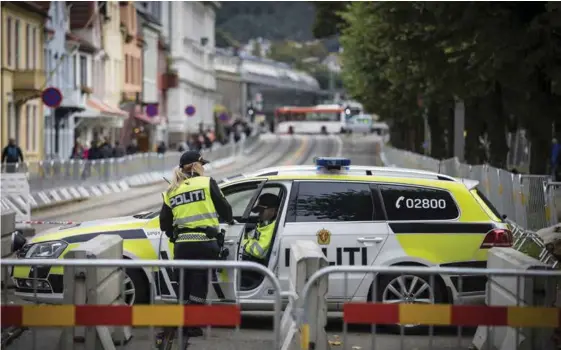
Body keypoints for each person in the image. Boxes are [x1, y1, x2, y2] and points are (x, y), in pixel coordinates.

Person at [158, 150, 233, 341]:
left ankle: (186, 324)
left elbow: (164, 224)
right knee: (199, 287)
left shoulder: (172, 190)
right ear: (195, 166)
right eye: (202, 164)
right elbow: (226, 210)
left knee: (184, 286)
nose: (204, 167)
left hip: (182, 246)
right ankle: (186, 325)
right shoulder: (207, 183)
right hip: (205, 243)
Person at [240, 193, 279, 289]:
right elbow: (252, 236)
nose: (259, 214)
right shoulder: (264, 223)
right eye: (259, 211)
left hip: (260, 267)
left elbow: (258, 252)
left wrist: (243, 242)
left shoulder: (273, 227)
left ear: (274, 211)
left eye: (262, 211)